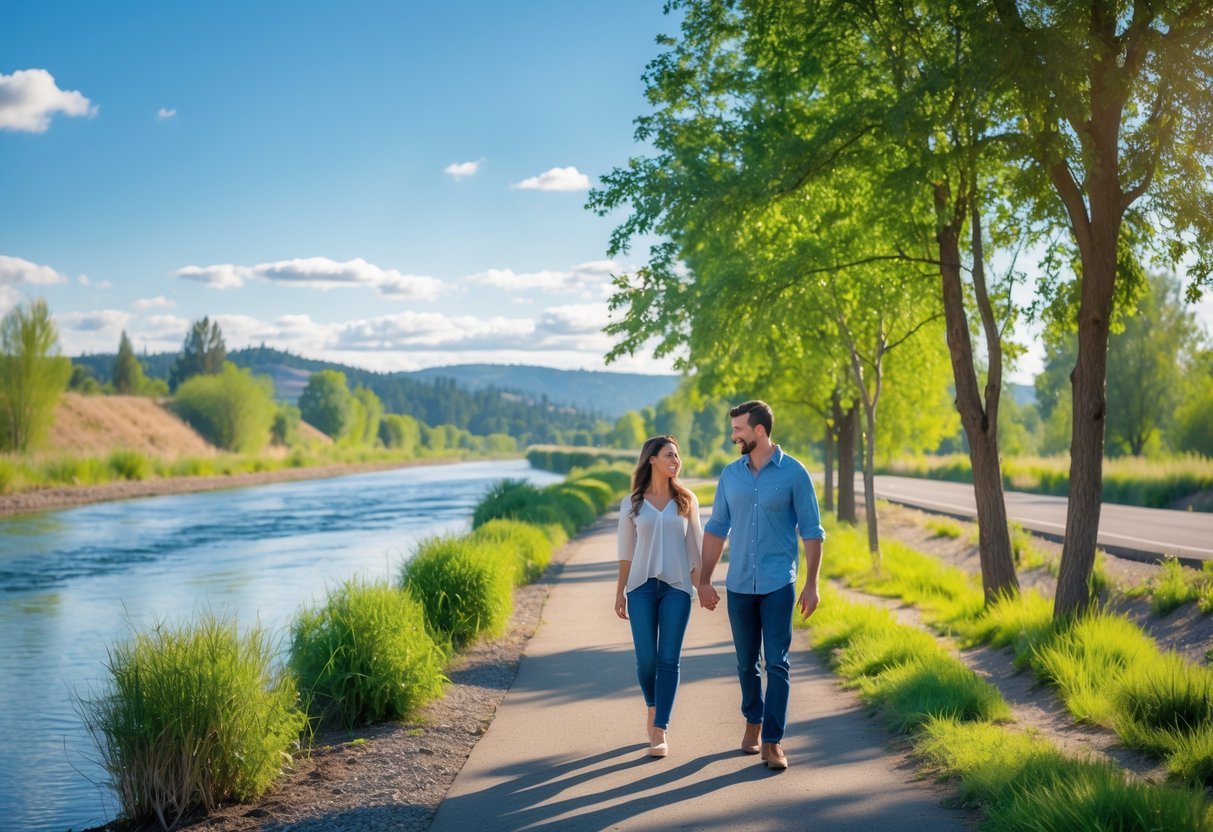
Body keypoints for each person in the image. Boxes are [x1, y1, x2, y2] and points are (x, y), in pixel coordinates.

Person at [697, 400, 824, 771]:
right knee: (745, 663)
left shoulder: (795, 474)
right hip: (739, 584)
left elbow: (812, 533)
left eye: (738, 429)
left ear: (759, 431)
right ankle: (753, 718)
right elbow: (716, 528)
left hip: (777, 583)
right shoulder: (730, 475)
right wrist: (704, 580)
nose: (732, 435)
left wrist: (812, 584)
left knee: (778, 663)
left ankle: (773, 740)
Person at [615, 435, 704, 758]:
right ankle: (652, 706)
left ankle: (659, 728)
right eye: (669, 454)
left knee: (669, 660)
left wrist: (703, 586)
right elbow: (626, 552)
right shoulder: (633, 503)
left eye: (677, 456)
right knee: (647, 660)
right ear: (651, 459)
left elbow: (695, 551)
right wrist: (620, 592)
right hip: (640, 587)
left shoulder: (686, 500)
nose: (676, 460)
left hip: (677, 587)